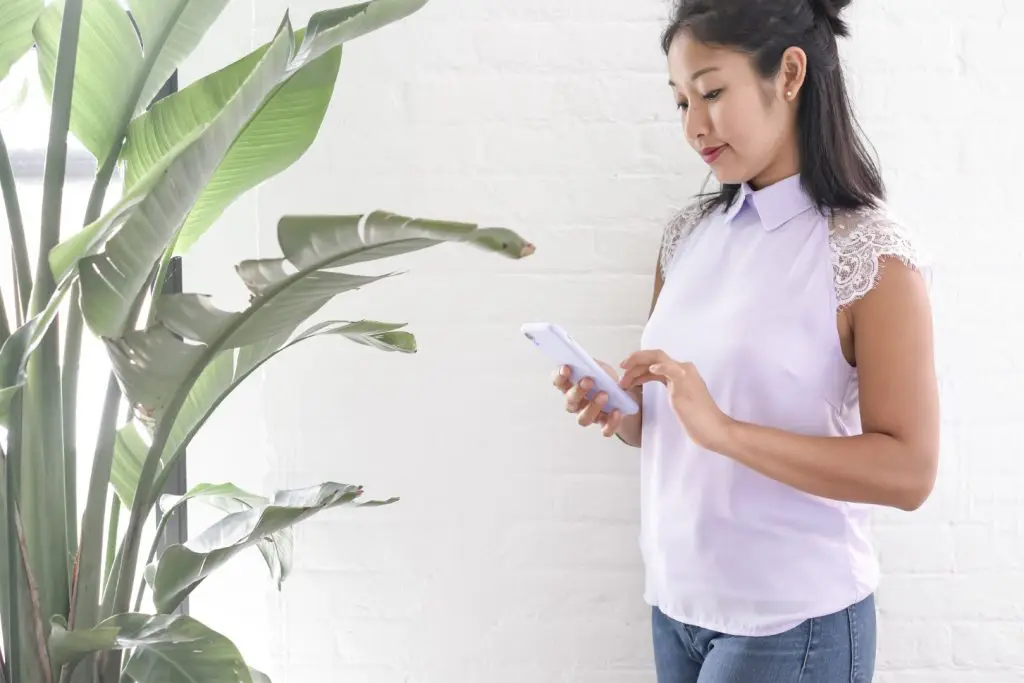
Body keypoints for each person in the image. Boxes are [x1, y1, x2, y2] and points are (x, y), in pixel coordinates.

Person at [551, 0, 940, 681]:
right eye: (679, 102)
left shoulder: (869, 253)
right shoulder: (687, 237)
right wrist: (626, 412)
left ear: (789, 74)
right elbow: (677, 425)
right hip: (676, 609)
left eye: (710, 92)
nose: (694, 126)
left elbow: (909, 472)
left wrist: (725, 430)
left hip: (794, 623)